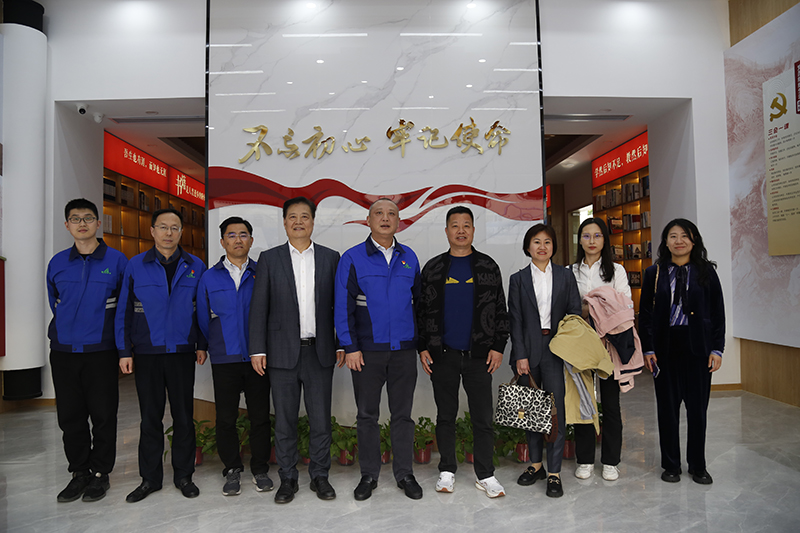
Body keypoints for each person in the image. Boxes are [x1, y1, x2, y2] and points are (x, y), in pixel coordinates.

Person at [249, 197, 342, 504]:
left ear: (313, 222)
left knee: (320, 420)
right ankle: (288, 477)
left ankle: (320, 475)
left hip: (320, 352)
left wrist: (343, 342)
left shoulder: (331, 258)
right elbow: (259, 307)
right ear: (285, 222)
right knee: (285, 421)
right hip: (280, 354)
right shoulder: (269, 258)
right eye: (292, 217)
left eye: (304, 216)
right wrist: (257, 349)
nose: (298, 221)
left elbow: (339, 306)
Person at [116, 208, 208, 502]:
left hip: (181, 352)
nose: (169, 233)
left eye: (174, 227)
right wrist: (124, 350)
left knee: (183, 416)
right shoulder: (135, 265)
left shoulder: (195, 265)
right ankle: (150, 478)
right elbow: (123, 311)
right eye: (163, 227)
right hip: (148, 352)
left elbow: (202, 310)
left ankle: (184, 476)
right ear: (152, 231)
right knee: (149, 418)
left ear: (181, 232)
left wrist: (202, 344)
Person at [417, 206, 509, 498]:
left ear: (473, 230)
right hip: (442, 355)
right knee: (446, 415)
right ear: (446, 231)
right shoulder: (433, 268)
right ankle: (447, 469)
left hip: (479, 356)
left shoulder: (487, 266)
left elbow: (500, 310)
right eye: (455, 225)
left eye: (466, 225)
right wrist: (422, 347)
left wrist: (498, 347)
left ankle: (486, 474)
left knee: (482, 417)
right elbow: (420, 311)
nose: (460, 230)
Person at [335, 198, 422, 501]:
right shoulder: (352, 258)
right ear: (368, 220)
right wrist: (350, 347)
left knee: (403, 415)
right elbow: (342, 306)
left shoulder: (409, 257)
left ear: (399, 221)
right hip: (366, 352)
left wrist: (419, 345)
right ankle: (369, 475)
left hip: (403, 351)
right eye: (379, 213)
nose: (386, 218)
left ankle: (405, 473)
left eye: (392, 214)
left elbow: (419, 305)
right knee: (367, 415)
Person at [47, 198, 128, 503]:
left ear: (98, 223)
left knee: (104, 414)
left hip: (101, 350)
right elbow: (55, 301)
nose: (82, 224)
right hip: (64, 351)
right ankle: (79, 472)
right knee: (70, 416)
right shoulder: (57, 263)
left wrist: (122, 349)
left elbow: (123, 310)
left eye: (88, 218)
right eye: (75, 219)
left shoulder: (117, 261)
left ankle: (100, 473)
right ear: (67, 225)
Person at [639, 218, 724, 485]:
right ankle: (671, 465)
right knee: (667, 410)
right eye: (673, 236)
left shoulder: (707, 272)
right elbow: (646, 315)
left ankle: (698, 466)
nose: (679, 241)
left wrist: (717, 349)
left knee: (697, 411)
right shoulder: (654, 273)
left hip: (698, 348)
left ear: (694, 240)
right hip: (665, 349)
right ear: (665, 242)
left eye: (684, 236)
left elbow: (717, 313)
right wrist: (648, 349)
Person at [197, 216, 272, 497]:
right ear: (222, 241)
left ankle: (260, 468)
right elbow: (203, 317)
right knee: (226, 418)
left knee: (260, 417)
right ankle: (231, 469)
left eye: (243, 234)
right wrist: (213, 344)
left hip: (258, 358)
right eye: (231, 235)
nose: (238, 239)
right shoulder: (209, 277)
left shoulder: (262, 272)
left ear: (251, 240)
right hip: (225, 358)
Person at [508, 223, 581, 498]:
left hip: (556, 349)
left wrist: (566, 347)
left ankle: (554, 473)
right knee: (531, 411)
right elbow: (515, 319)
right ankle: (536, 464)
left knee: (555, 412)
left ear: (553, 246)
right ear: (528, 247)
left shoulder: (565, 276)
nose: (542, 246)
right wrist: (520, 355)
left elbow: (574, 313)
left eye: (547, 242)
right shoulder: (518, 279)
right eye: (536, 242)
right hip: (528, 351)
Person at [570, 218, 631, 482]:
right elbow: (568, 307)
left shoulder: (617, 271)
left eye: (597, 236)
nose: (592, 241)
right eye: (586, 236)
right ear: (580, 240)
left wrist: (588, 307)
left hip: (609, 346)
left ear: (605, 239)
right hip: (581, 346)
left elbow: (625, 307)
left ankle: (610, 461)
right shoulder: (570, 271)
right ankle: (584, 460)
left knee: (611, 404)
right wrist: (600, 303)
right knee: (583, 402)